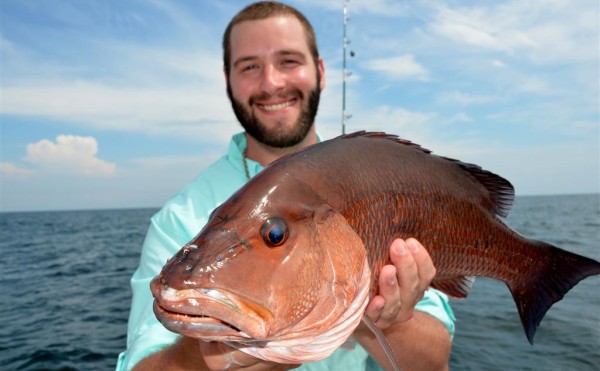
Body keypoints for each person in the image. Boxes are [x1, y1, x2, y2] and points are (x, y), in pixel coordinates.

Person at [116, 2, 454, 370]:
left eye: (289, 61)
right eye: (249, 66)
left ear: (320, 71)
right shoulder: (177, 218)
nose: (271, 83)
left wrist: (376, 319)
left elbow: (434, 363)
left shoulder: (384, 185)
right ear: (227, 78)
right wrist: (214, 355)